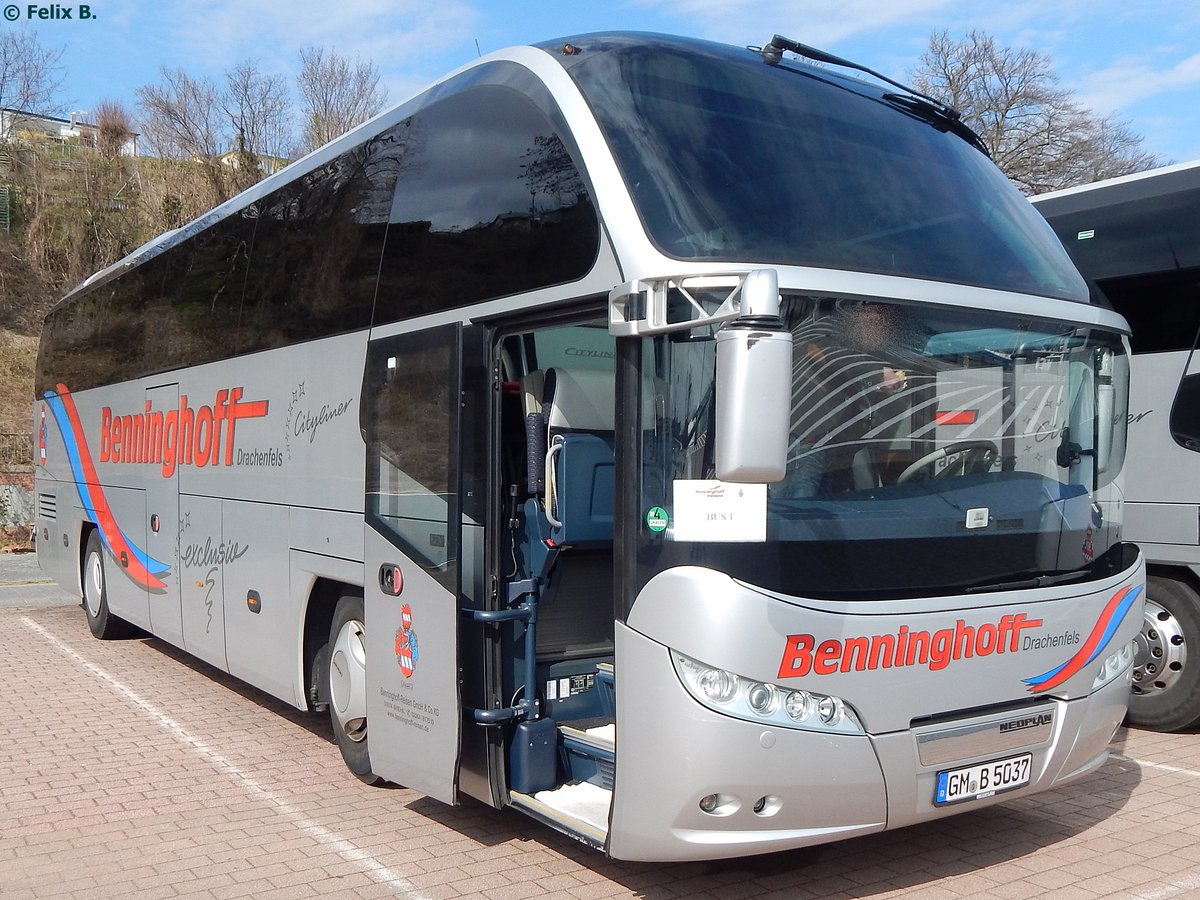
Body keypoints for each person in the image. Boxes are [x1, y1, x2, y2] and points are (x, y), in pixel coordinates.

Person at [778, 299, 913, 498]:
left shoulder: (855, 346)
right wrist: (877, 373)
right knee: (800, 513)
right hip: (803, 444)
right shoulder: (823, 328)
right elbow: (825, 354)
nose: (882, 333)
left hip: (831, 448)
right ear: (857, 315)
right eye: (877, 322)